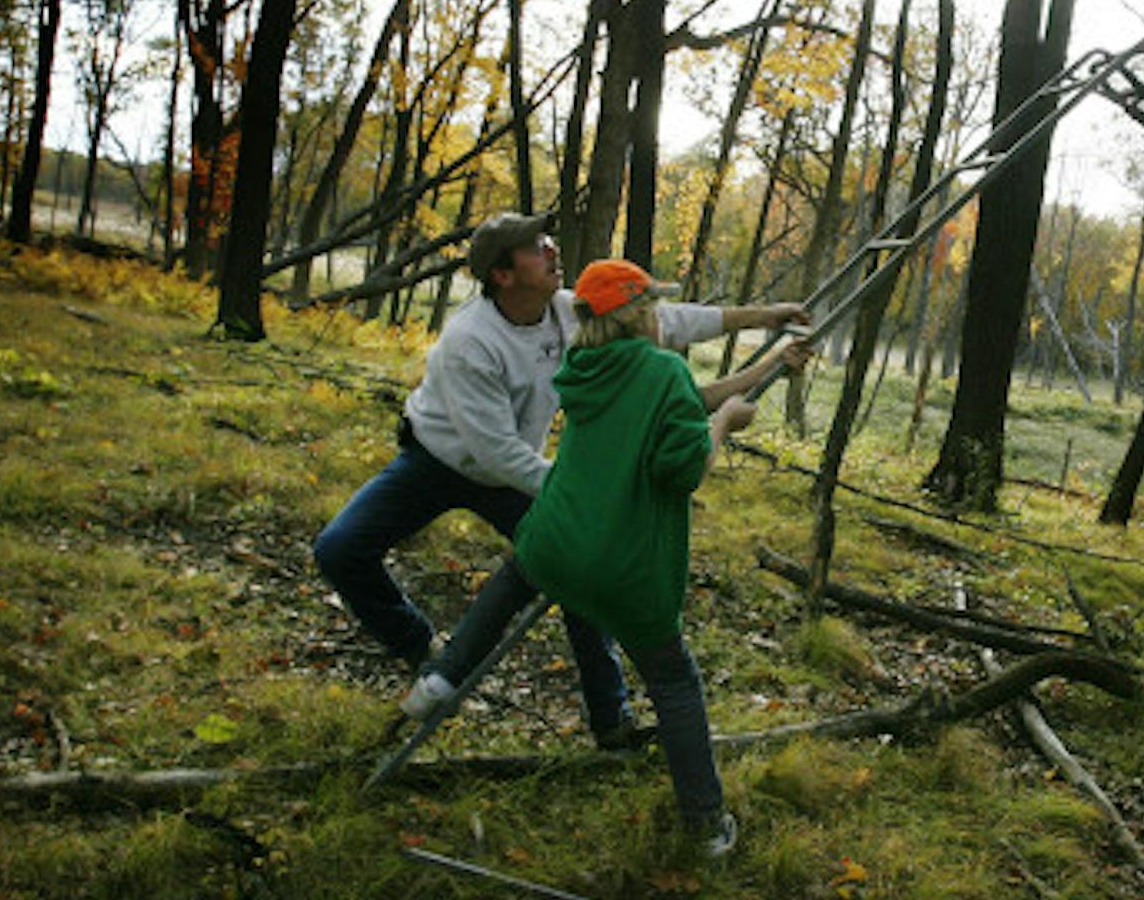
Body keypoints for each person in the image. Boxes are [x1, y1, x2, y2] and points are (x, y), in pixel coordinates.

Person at [310, 213, 806, 734]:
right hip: (436, 461)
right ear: (503, 275)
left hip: (515, 476)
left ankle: (610, 716)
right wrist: (582, 496)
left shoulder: (565, 311)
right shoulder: (469, 342)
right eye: (535, 248)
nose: (551, 251)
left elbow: (670, 320)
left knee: (577, 566)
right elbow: (496, 451)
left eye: (547, 240)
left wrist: (764, 316)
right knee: (339, 549)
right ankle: (419, 646)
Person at [509, 257, 757, 856]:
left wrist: (766, 367)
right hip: (626, 568)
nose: (660, 317)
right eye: (653, 306)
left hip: (556, 543)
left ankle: (439, 678)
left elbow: (678, 403)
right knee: (674, 682)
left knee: (511, 587)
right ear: (638, 315)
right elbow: (683, 468)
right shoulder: (663, 369)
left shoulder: (585, 366)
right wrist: (724, 423)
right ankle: (706, 824)